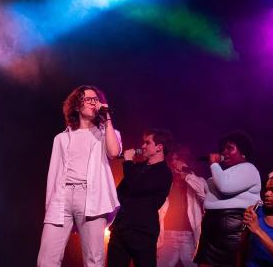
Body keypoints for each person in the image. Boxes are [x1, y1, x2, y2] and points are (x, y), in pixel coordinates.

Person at [37, 85, 122, 267]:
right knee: (46, 260)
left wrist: (106, 117)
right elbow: (53, 176)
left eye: (95, 99)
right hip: (62, 197)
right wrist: (50, 204)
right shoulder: (61, 138)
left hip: (91, 197)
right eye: (88, 99)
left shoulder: (105, 133)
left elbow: (114, 152)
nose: (93, 103)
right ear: (76, 105)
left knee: (94, 260)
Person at [193, 131, 261, 267]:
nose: (224, 152)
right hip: (211, 233)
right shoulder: (224, 173)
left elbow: (225, 187)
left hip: (232, 236)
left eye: (230, 148)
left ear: (243, 152)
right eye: (223, 149)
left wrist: (214, 164)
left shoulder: (249, 168)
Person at [107, 129, 174, 267]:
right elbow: (120, 193)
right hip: (121, 230)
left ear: (159, 147)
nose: (142, 146)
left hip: (142, 233)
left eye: (147, 143)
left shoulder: (164, 172)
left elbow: (136, 187)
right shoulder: (137, 168)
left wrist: (128, 162)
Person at [157, 146, 206, 267]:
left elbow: (204, 195)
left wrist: (187, 175)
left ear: (185, 161)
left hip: (188, 237)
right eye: (171, 160)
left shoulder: (196, 180)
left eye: (177, 159)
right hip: (167, 236)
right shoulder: (166, 182)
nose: (174, 162)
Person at [241, 172, 273, 266]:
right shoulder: (255, 212)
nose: (267, 194)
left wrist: (257, 230)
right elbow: (241, 247)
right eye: (266, 190)